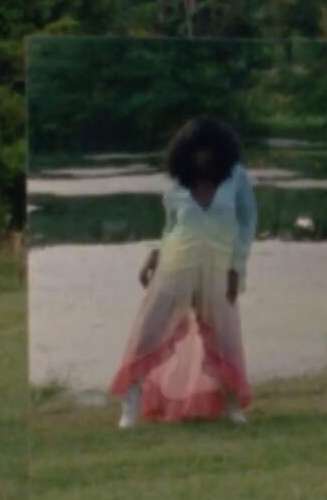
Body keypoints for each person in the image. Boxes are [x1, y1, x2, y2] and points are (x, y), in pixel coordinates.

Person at [110, 117, 257, 428]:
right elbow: (171, 228)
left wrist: (237, 267)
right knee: (148, 332)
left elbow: (246, 224)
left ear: (221, 151)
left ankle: (233, 408)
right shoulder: (177, 187)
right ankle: (130, 407)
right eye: (196, 150)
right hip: (176, 265)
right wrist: (155, 256)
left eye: (208, 150)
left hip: (219, 267)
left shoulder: (236, 179)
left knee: (226, 337)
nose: (203, 156)